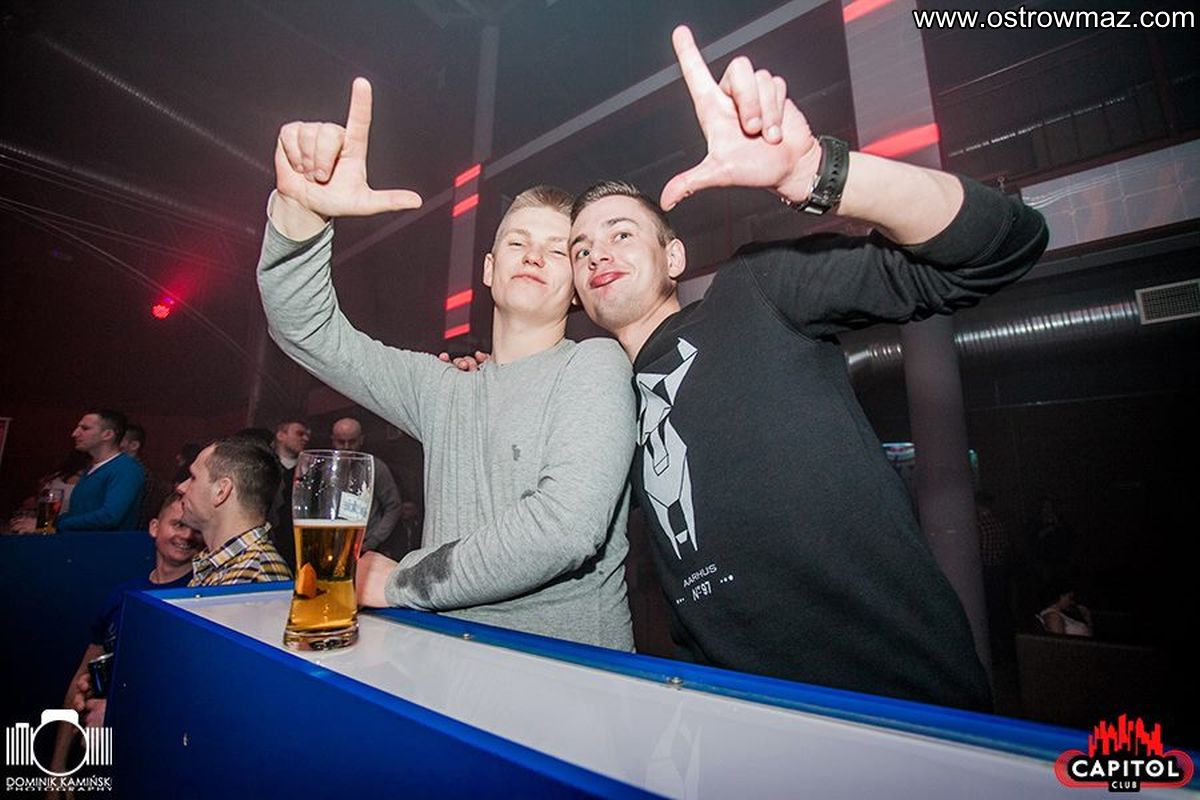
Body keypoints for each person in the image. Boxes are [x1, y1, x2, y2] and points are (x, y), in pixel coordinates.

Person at [565, 27, 1048, 709]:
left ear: (673, 258)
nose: (598, 253)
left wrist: (815, 172)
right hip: (737, 726)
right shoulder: (604, 409)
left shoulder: (752, 293)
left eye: (621, 233)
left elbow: (1003, 245)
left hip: (900, 709)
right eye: (581, 249)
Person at [256, 78, 636, 649]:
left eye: (558, 250)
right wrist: (301, 213)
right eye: (517, 242)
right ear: (488, 269)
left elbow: (565, 528)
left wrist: (403, 581)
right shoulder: (441, 388)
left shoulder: (595, 366)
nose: (534, 255)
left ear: (579, 288)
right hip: (445, 661)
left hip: (567, 671)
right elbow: (306, 330)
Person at [49, 495, 201, 770]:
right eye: (179, 524)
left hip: (152, 753)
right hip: (96, 749)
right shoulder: (123, 594)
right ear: (154, 528)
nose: (187, 535)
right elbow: (81, 678)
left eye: (196, 529)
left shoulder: (200, 597)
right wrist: (58, 768)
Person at [177, 437, 292, 586]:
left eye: (193, 478)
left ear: (221, 491)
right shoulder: (228, 566)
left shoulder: (253, 576)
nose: (181, 487)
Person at [13, 409, 146, 532]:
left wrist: (50, 525)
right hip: (80, 543)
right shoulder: (92, 468)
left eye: (85, 428)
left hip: (104, 546)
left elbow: (109, 517)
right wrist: (45, 523)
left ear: (107, 434)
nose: (75, 433)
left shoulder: (126, 469)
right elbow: (79, 513)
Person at [329, 417, 403, 554]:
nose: (346, 447)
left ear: (361, 440)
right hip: (332, 543)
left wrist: (374, 540)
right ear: (333, 440)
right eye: (341, 442)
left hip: (365, 545)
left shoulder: (376, 467)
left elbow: (393, 506)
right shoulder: (326, 469)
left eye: (352, 441)